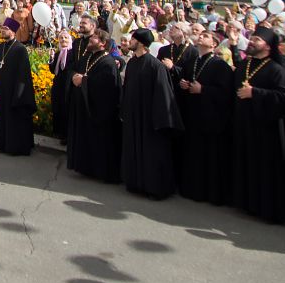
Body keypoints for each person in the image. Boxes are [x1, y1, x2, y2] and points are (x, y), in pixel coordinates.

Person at [230, 27, 285, 225]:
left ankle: (267, 208)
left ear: (268, 46)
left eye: (256, 39)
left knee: (266, 168)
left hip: (267, 127)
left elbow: (284, 96)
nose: (251, 41)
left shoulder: (276, 68)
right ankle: (248, 203)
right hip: (245, 123)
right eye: (251, 38)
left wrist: (255, 93)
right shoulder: (246, 64)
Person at [120, 28, 183, 199]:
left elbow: (164, 96)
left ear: (140, 42)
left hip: (150, 119)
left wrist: (159, 120)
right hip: (134, 116)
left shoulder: (156, 66)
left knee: (152, 154)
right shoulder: (132, 63)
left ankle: (156, 188)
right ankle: (136, 183)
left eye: (132, 39)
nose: (129, 42)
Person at [175, 30, 235, 205]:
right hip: (193, 115)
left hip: (211, 119)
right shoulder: (192, 61)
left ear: (214, 44)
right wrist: (183, 84)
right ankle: (191, 188)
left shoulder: (220, 65)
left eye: (205, 36)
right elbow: (185, 79)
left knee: (210, 156)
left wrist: (203, 90)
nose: (200, 37)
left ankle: (211, 193)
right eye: (200, 35)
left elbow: (226, 93)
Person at [67, 30, 121, 183]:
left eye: (95, 37)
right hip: (85, 107)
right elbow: (74, 69)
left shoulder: (108, 62)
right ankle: (86, 168)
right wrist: (74, 77)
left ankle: (100, 171)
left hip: (99, 110)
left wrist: (83, 81)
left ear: (103, 43)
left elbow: (106, 87)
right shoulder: (88, 56)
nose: (91, 39)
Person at [0, 17, 36, 155]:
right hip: (2, 90)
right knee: (3, 118)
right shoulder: (1, 47)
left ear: (13, 31)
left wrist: (19, 94)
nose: (3, 30)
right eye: (2, 28)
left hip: (14, 91)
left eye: (6, 29)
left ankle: (15, 147)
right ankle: (2, 144)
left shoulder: (20, 50)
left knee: (14, 120)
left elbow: (23, 75)